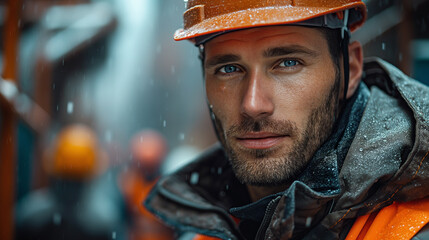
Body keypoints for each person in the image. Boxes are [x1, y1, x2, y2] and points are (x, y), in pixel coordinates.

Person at [145, 1, 429, 239]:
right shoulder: (214, 228)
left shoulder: (415, 226)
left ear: (351, 68)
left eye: (288, 63)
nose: (253, 105)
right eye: (229, 68)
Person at [117, 130, 175, 240]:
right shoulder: (128, 184)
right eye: (144, 165)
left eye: (151, 166)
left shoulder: (168, 187)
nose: (147, 171)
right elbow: (122, 220)